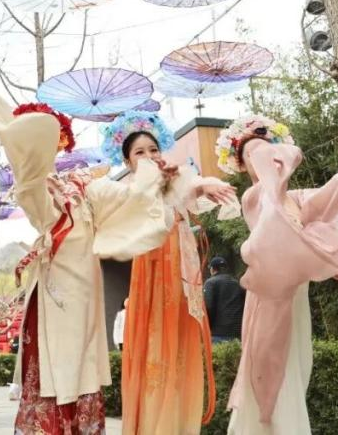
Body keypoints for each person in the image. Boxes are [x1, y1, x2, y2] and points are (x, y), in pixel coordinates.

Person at [0, 99, 235, 435]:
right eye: (33, 141)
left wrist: (186, 184)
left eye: (46, 138)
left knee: (85, 372)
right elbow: (33, 193)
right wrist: (20, 152)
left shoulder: (85, 185)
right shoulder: (39, 189)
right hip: (55, 296)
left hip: (86, 295)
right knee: (56, 374)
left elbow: (128, 198)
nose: (147, 157)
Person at [215, 116, 338, 435]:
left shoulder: (295, 197)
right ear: (242, 165)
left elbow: (334, 197)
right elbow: (273, 229)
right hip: (269, 294)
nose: (261, 158)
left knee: (295, 363)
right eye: (251, 155)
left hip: (295, 292)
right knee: (269, 362)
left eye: (264, 150)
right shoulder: (254, 197)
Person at [100, 111, 238, 435]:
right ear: (127, 162)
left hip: (181, 277)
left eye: (153, 149)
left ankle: (178, 425)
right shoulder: (129, 192)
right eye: (139, 152)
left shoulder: (175, 180)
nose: (148, 156)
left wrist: (203, 185)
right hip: (151, 274)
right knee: (155, 347)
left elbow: (196, 191)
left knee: (180, 348)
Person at [203, 256, 245, 343]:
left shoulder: (210, 283)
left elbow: (208, 307)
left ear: (212, 269)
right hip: (237, 333)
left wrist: (206, 328)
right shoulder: (237, 283)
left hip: (218, 333)